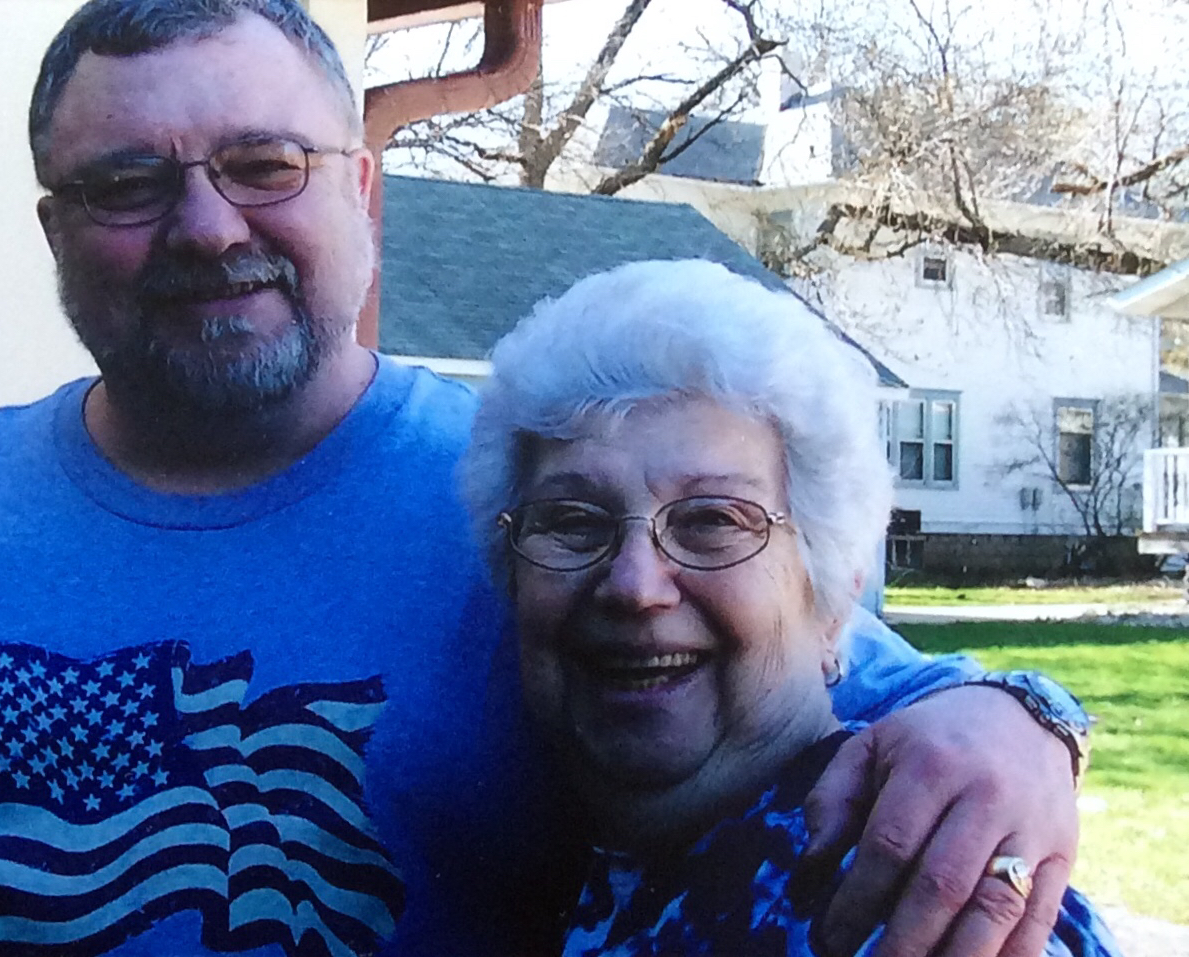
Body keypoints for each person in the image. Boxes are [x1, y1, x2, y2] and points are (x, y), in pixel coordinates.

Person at [0, 1, 1088, 955]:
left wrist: (1021, 720)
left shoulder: (545, 510)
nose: (207, 227)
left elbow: (827, 681)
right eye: (127, 184)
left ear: (362, 192)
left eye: (265, 165)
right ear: (55, 229)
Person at [462, 259, 1121, 957]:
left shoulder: (910, 895)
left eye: (713, 520)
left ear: (832, 599)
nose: (634, 585)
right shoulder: (592, 862)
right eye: (572, 520)